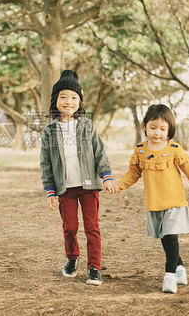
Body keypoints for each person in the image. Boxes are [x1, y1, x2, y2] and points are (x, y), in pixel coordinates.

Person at [108, 104, 189, 293]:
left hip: (174, 202)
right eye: (153, 127)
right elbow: (133, 174)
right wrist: (119, 185)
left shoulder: (175, 149)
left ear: (169, 129)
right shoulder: (140, 150)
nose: (157, 133)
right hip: (154, 204)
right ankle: (180, 268)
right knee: (165, 239)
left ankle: (170, 276)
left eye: (163, 129)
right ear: (145, 126)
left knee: (171, 237)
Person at [40, 69, 119, 286]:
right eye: (63, 96)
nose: (68, 101)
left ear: (80, 102)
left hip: (88, 186)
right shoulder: (49, 131)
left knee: (92, 227)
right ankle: (72, 258)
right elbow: (46, 163)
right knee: (70, 227)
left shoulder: (86, 126)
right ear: (55, 101)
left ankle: (94, 267)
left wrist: (107, 177)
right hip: (64, 188)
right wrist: (49, 190)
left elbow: (100, 153)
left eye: (74, 97)